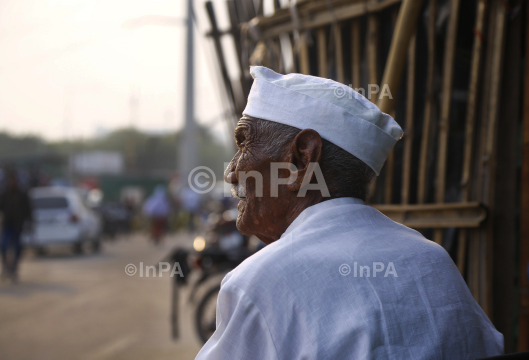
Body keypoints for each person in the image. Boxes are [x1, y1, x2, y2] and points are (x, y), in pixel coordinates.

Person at [195, 67, 503, 359]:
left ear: (301, 161)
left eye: (243, 143)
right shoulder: (434, 262)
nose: (232, 172)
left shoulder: (258, 285)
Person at [0, 171, 32, 283]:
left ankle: (13, 268)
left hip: (18, 226)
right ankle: (5, 267)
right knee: (3, 245)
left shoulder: (22, 194)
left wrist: (30, 223)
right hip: (6, 225)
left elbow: (28, 210)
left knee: (18, 248)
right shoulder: (4, 194)